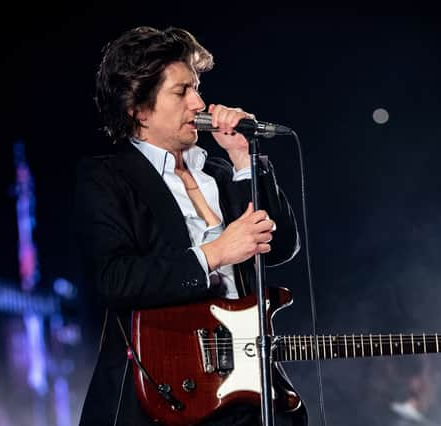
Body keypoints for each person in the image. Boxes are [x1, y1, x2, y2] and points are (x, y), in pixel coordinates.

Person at [74, 25, 306, 425]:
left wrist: (242, 160)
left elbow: (282, 245)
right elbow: (114, 280)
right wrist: (215, 254)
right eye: (182, 92)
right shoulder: (108, 178)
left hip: (245, 391)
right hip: (165, 393)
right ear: (138, 106)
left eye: (197, 87)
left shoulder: (220, 173)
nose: (199, 102)